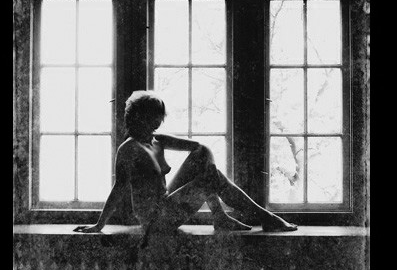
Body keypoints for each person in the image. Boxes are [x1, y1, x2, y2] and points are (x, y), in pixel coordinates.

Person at [73, 90, 297, 240]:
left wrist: (208, 172)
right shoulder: (129, 149)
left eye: (160, 117)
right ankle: (263, 217)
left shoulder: (157, 140)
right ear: (138, 117)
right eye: (154, 117)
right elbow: (119, 188)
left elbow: (200, 148)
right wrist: (99, 225)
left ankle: (219, 215)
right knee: (211, 176)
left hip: (167, 205)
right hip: (154, 220)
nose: (158, 122)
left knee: (203, 157)